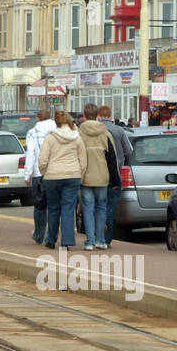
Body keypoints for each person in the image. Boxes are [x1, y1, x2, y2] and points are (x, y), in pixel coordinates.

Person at [38, 110, 86, 251]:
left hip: (52, 177)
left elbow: (42, 160)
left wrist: (45, 173)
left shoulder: (50, 137)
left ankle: (51, 240)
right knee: (68, 208)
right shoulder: (77, 137)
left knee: (53, 208)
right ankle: (66, 242)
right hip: (72, 176)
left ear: (56, 122)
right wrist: (79, 174)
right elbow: (83, 160)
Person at [79, 104, 120, 250]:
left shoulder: (80, 133)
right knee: (101, 207)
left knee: (88, 208)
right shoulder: (105, 133)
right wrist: (115, 180)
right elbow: (112, 158)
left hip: (85, 177)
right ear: (98, 115)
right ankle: (100, 240)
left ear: (84, 115)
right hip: (103, 176)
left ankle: (89, 242)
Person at [96, 105, 132, 247]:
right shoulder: (119, 130)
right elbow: (128, 151)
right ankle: (107, 238)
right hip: (115, 174)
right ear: (110, 115)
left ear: (99, 115)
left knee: (99, 205)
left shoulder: (96, 130)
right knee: (111, 207)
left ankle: (98, 234)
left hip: (98, 173)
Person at [21, 109, 56, 245]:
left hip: (38, 172)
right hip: (55, 172)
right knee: (53, 206)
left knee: (40, 205)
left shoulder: (33, 133)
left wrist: (27, 174)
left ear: (37, 119)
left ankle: (39, 235)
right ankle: (51, 236)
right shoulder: (57, 130)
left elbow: (30, 153)